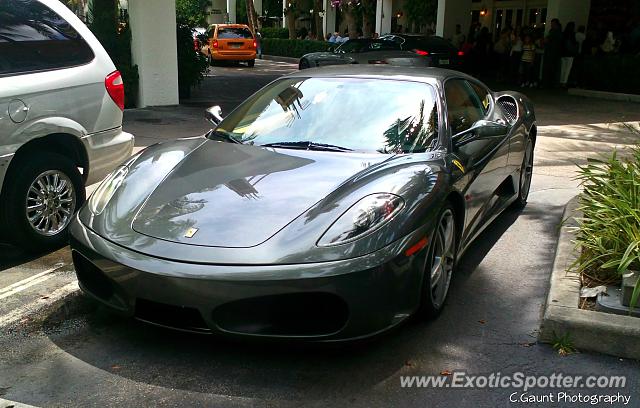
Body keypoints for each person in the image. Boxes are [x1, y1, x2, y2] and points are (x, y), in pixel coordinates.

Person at [543, 18, 562, 87]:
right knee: (550, 68)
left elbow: (548, 40)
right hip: (551, 52)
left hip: (552, 53)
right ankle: (549, 82)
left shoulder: (556, 32)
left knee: (550, 68)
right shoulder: (554, 31)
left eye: (553, 24)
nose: (551, 25)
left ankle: (549, 83)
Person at [560, 22, 578, 88]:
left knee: (563, 68)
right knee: (567, 69)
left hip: (563, 53)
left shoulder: (564, 34)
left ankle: (561, 81)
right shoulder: (572, 34)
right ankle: (564, 82)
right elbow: (574, 44)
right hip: (570, 54)